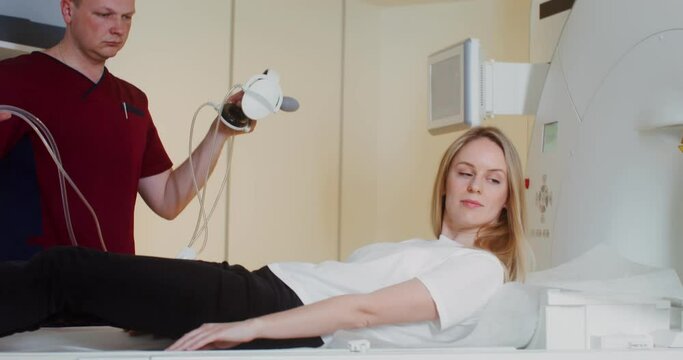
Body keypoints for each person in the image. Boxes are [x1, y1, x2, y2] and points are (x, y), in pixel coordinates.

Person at [0, 126, 528, 351]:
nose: (476, 186)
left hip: (270, 301)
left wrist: (248, 327)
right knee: (74, 287)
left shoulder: (480, 268)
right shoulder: (428, 250)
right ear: (445, 180)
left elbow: (362, 312)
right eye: (465, 171)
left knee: (65, 271)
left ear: (508, 199)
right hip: (264, 289)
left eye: (493, 178)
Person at [0, 0, 250, 257]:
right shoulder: (14, 81)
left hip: (112, 285)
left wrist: (219, 131)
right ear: (67, 11)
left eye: (126, 18)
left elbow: (168, 199)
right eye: (105, 15)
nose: (118, 29)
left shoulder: (132, 101)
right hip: (31, 284)